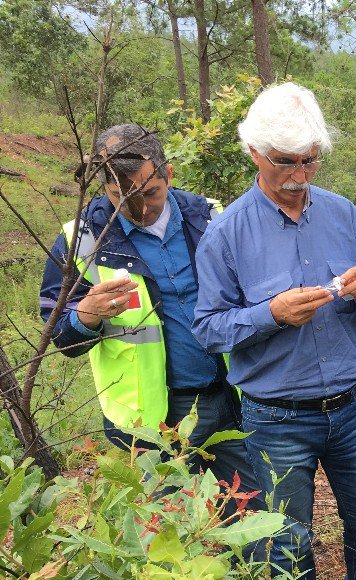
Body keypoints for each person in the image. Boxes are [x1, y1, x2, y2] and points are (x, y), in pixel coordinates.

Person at [192, 82, 356, 580]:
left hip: (352, 405)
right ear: (254, 153)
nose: (298, 173)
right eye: (284, 161)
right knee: (288, 531)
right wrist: (269, 314)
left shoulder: (341, 213)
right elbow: (209, 327)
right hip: (274, 415)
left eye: (309, 159)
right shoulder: (227, 233)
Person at [39, 124, 256, 498]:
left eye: (149, 192)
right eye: (121, 197)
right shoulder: (82, 241)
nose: (139, 208)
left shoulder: (210, 219)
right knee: (167, 533)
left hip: (229, 397)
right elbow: (57, 332)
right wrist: (85, 316)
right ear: (104, 187)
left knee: (252, 510)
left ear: (168, 174)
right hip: (150, 421)